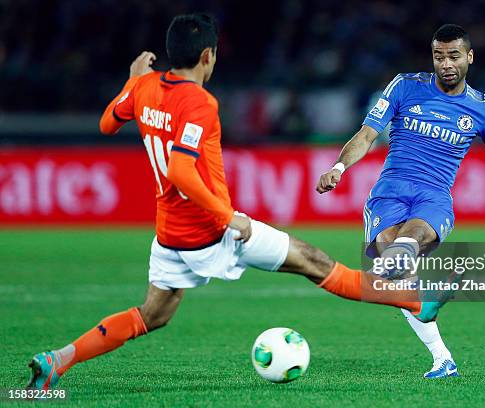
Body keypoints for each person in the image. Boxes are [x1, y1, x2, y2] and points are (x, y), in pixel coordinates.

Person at [26, 13, 443, 391]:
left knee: (152, 315)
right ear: (207, 55)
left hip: (170, 236)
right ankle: (417, 301)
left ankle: (58, 360)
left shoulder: (146, 87)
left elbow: (106, 124)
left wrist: (132, 82)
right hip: (212, 230)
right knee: (317, 264)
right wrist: (230, 220)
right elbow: (182, 171)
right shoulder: (199, 103)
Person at [317, 24, 485, 379]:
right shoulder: (405, 86)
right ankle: (443, 359)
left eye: (454, 56)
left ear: (469, 57)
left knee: (406, 246)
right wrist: (338, 167)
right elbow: (367, 134)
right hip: (389, 195)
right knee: (399, 274)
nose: (446, 64)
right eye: (439, 56)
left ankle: (399, 280)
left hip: (433, 199)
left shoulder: (482, 110)